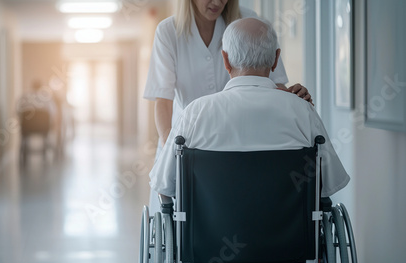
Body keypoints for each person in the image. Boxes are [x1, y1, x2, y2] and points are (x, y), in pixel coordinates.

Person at [150, 17, 350, 205]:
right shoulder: (302, 111)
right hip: (291, 239)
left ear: (225, 61)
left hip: (207, 240)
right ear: (275, 59)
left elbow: (164, 188)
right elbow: (330, 183)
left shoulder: (194, 113)